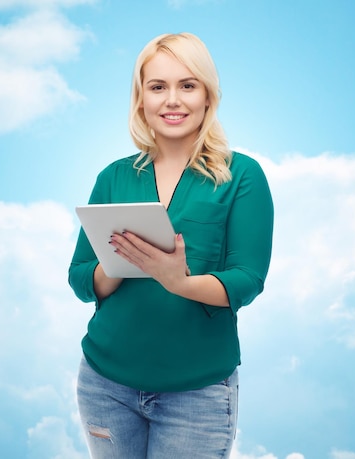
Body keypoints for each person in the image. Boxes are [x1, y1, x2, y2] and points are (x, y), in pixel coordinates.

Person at [68, 32, 274, 459]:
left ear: (207, 96)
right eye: (158, 87)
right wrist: (114, 263)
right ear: (141, 98)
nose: (172, 100)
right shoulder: (114, 177)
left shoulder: (242, 176)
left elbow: (247, 280)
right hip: (106, 384)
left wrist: (178, 282)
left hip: (196, 394)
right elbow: (80, 278)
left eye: (187, 85)